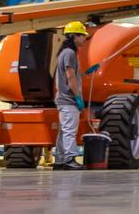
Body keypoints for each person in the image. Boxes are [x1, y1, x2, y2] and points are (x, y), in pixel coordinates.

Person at [53, 21, 89, 170]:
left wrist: (83, 74)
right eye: (82, 36)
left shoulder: (64, 53)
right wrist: (78, 97)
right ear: (74, 36)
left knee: (64, 130)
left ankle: (60, 160)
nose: (84, 39)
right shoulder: (70, 53)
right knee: (69, 130)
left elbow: (71, 75)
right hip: (68, 100)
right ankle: (69, 159)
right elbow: (70, 76)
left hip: (63, 99)